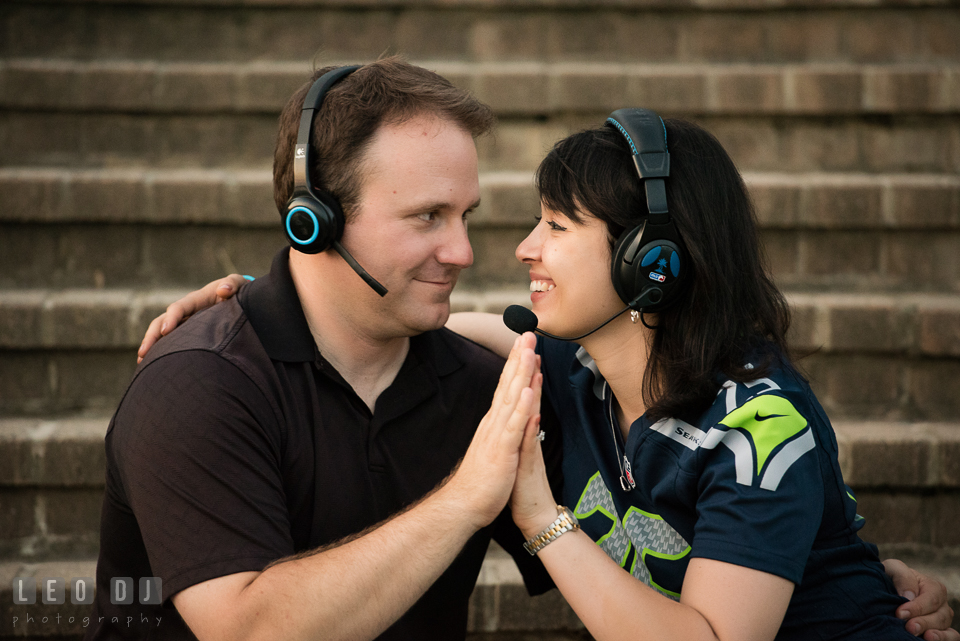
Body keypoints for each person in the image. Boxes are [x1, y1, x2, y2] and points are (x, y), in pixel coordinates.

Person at [147, 110, 959, 640]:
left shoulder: (757, 428)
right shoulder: (576, 371)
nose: (521, 248)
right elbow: (429, 322)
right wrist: (263, 297)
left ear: (654, 264)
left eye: (557, 225)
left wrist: (539, 512)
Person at [88, 57, 553, 641]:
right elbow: (246, 629)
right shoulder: (197, 384)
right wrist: (462, 500)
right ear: (315, 222)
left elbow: (631, 568)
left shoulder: (477, 384)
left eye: (464, 216)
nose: (462, 251)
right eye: (428, 216)